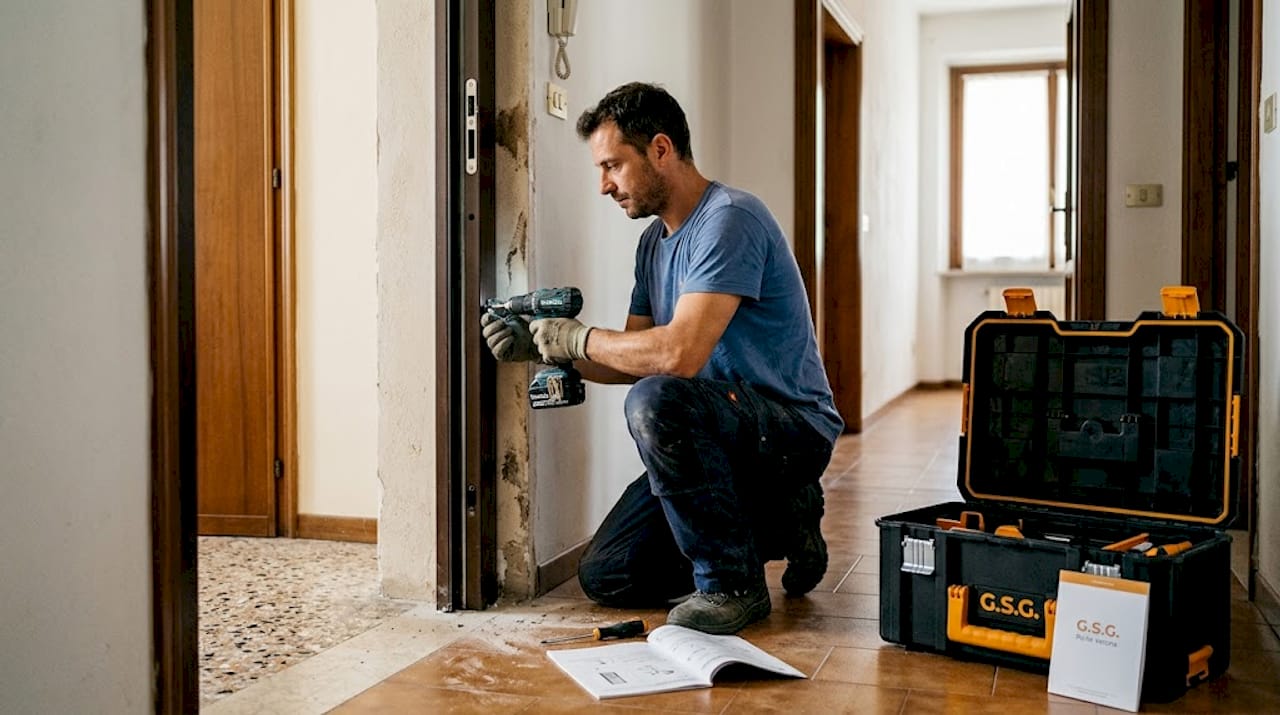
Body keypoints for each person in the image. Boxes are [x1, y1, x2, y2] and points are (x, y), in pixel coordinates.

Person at [479, 82, 843, 635]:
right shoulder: (653, 244)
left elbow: (677, 354)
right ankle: (780, 523)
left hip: (790, 431)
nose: (604, 185)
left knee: (659, 398)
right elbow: (633, 361)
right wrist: (542, 347)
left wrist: (577, 338)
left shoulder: (731, 218)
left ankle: (732, 585)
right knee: (608, 575)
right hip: (718, 432)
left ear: (660, 149)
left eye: (613, 166)